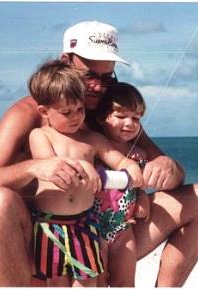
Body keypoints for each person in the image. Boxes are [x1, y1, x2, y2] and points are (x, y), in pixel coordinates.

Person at [0, 21, 198, 287]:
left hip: (105, 233)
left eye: (107, 78)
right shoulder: (27, 114)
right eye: (89, 75)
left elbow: (168, 173)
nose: (98, 87)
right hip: (47, 243)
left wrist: (167, 165)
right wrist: (35, 168)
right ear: (65, 60)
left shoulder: (112, 112)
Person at [27, 60, 144, 286]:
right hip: (50, 225)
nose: (75, 116)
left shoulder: (93, 140)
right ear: (44, 111)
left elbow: (119, 160)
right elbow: (51, 166)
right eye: (66, 112)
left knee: (88, 282)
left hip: (84, 223)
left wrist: (131, 170)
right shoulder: (41, 136)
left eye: (79, 109)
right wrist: (85, 168)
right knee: (57, 283)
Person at [93, 82, 150, 286]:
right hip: (93, 228)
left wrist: (143, 198)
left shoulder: (138, 155)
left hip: (123, 229)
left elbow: (139, 183)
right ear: (102, 118)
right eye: (121, 116)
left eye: (136, 118)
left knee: (125, 282)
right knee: (97, 281)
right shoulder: (94, 149)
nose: (129, 123)